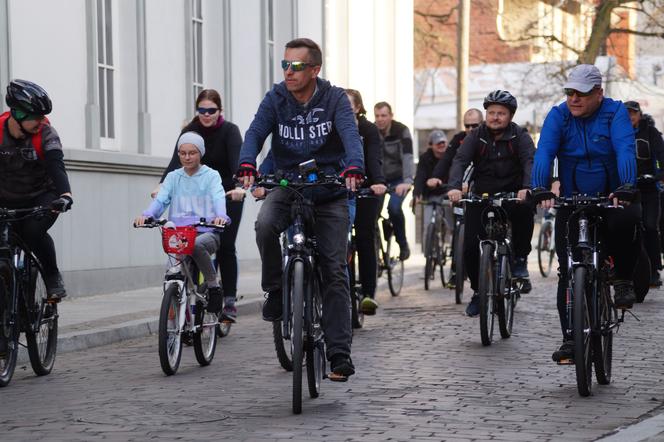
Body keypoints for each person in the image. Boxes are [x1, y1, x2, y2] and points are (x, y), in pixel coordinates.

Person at [235, 38, 364, 381]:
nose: (288, 73)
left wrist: (353, 167)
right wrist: (248, 162)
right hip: (287, 183)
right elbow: (256, 131)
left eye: (296, 66)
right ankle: (276, 290)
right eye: (284, 65)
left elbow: (351, 136)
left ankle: (339, 355)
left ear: (315, 69)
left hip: (329, 189)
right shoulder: (276, 98)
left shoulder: (334, 99)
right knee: (264, 225)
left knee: (335, 271)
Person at [531, 64, 640, 363]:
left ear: (599, 93)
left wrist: (627, 186)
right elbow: (544, 152)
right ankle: (570, 339)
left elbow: (625, 150)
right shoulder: (559, 115)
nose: (574, 99)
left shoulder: (615, 113)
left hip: (612, 194)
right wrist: (540, 186)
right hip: (571, 196)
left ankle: (622, 280)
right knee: (567, 271)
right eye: (570, 92)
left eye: (582, 93)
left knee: (628, 221)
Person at [155, 89, 244, 323]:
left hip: (224, 193)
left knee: (225, 245)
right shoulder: (190, 132)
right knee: (186, 243)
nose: (206, 115)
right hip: (196, 197)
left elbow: (237, 162)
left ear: (219, 111)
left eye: (211, 111)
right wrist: (162, 185)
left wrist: (238, 186)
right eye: (202, 110)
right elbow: (175, 162)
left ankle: (229, 300)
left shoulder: (229, 131)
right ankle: (185, 302)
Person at [447, 90, 535, 316]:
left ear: (510, 116)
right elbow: (460, 160)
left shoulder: (520, 136)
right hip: (482, 194)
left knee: (525, 210)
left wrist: (527, 187)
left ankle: (520, 262)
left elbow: (529, 162)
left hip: (513, 194)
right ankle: (478, 291)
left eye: (501, 113)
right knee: (468, 246)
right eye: (491, 112)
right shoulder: (476, 136)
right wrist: (455, 187)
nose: (495, 117)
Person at [136, 132, 229, 313]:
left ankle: (213, 286)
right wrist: (147, 215)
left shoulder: (211, 176)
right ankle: (176, 322)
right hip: (179, 235)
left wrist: (220, 216)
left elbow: (218, 197)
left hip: (206, 233)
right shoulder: (173, 177)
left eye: (192, 153)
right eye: (182, 153)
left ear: (200, 153)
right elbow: (161, 200)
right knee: (171, 275)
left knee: (196, 245)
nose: (187, 157)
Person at [0, 79, 73, 300]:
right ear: (19, 114)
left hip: (41, 196)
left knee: (32, 232)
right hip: (5, 198)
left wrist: (65, 195)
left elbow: (55, 165)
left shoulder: (46, 134)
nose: (42, 121)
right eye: (37, 117)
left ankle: (52, 276)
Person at [345, 89, 387, 315]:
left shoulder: (368, 129)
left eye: (349, 105)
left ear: (358, 108)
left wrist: (377, 182)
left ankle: (369, 294)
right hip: (340, 189)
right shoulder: (332, 126)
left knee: (364, 236)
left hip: (365, 186)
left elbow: (373, 157)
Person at [625, 100, 664, 287]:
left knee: (649, 227)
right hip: (627, 191)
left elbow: (661, 155)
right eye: (627, 113)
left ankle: (655, 268)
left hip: (648, 190)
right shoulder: (617, 133)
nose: (630, 116)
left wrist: (658, 175)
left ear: (639, 114)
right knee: (624, 227)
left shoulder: (650, 132)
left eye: (633, 113)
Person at [374, 101, 414, 260]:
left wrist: (407, 180)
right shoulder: (371, 131)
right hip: (379, 180)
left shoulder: (401, 130)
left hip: (399, 179)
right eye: (377, 116)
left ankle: (403, 244)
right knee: (372, 214)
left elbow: (408, 156)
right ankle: (374, 252)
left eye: (384, 115)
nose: (380, 119)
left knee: (394, 208)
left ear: (391, 116)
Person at [429, 108, 484, 187]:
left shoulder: (489, 137)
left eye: (474, 125)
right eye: (467, 126)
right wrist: (435, 177)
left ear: (482, 123)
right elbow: (446, 159)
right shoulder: (459, 138)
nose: (470, 129)